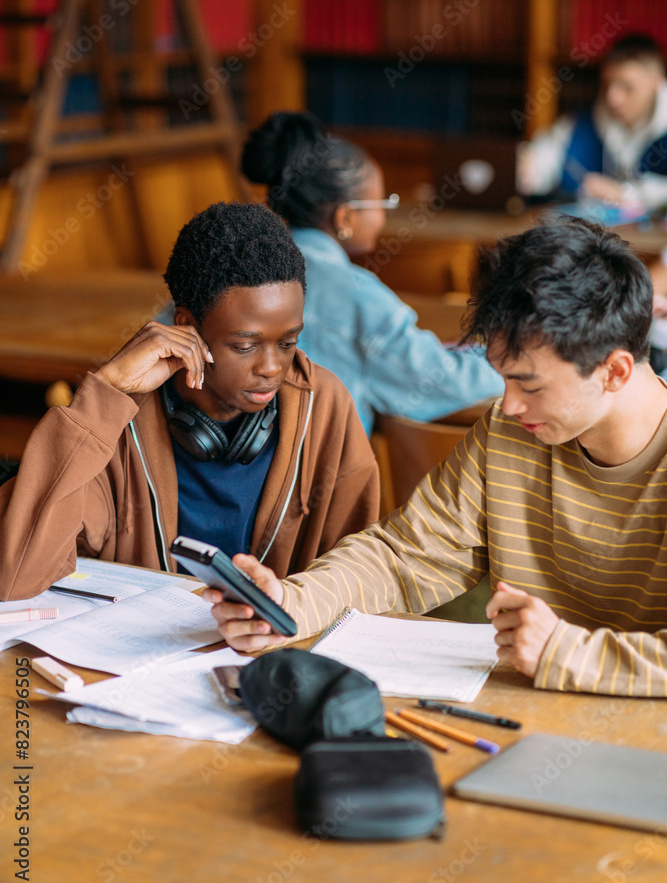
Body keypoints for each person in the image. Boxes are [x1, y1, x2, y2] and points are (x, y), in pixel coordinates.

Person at [206, 218, 667, 698]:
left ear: (614, 371)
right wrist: (288, 604)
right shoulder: (510, 432)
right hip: (527, 717)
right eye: (502, 378)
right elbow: (401, 556)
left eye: (529, 384)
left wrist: (564, 653)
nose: (507, 405)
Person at [0, 202, 380, 601]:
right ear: (186, 327)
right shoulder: (118, 420)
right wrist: (105, 392)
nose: (271, 367)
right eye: (245, 345)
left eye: (288, 343)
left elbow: (361, 579)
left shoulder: (324, 407)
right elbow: (13, 577)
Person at [241, 111, 502, 435]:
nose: (383, 217)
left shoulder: (230, 267)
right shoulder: (359, 296)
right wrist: (508, 355)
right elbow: (446, 381)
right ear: (346, 217)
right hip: (315, 481)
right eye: (382, 203)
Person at [517, 34, 667, 210]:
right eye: (607, 84)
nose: (613, 98)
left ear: (656, 83)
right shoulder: (583, 122)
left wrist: (627, 194)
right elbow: (542, 159)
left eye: (627, 87)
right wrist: (527, 169)